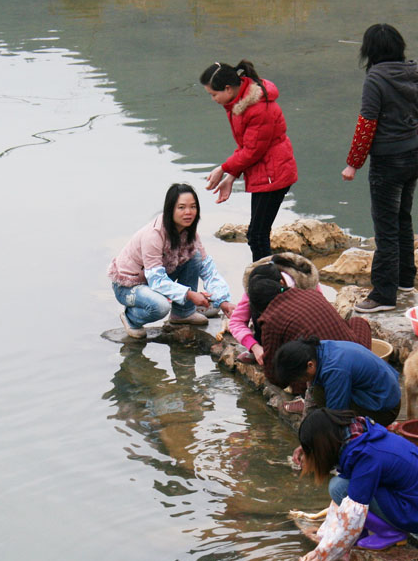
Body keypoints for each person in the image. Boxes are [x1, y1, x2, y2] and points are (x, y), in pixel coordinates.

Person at [295, 409, 418, 561]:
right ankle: (373, 530)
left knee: (340, 488)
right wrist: (322, 544)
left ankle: (391, 533)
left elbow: (353, 514)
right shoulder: (361, 436)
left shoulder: (366, 456)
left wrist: (318, 560)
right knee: (341, 486)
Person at [341, 24, 418, 313]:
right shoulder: (416, 75)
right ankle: (405, 280)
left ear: (371, 50)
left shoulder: (375, 78)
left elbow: (367, 124)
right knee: (403, 218)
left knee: (386, 227)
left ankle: (383, 295)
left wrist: (353, 163)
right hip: (411, 155)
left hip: (387, 161)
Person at [200, 60, 298, 262]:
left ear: (228, 88)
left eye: (213, 94)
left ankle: (267, 286)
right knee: (257, 234)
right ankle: (266, 283)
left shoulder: (257, 108)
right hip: (266, 172)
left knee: (257, 235)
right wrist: (231, 176)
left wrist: (224, 169)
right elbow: (247, 146)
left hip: (274, 175)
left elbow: (253, 150)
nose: (213, 99)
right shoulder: (239, 103)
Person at [108, 183, 234, 338]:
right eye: (181, 207)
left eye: (193, 207)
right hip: (129, 285)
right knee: (160, 306)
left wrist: (223, 301)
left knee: (195, 257)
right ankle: (131, 318)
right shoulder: (154, 234)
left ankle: (182, 314)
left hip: (154, 281)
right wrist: (189, 294)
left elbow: (208, 270)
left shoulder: (190, 233)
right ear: (170, 210)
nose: (188, 212)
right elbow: (156, 279)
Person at [274, 337, 400, 426]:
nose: (301, 382)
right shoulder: (316, 350)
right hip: (383, 392)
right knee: (317, 394)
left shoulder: (334, 370)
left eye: (299, 379)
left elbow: (337, 417)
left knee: (320, 395)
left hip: (385, 409)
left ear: (310, 365)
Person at [228, 253, 321, 365]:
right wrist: (254, 346)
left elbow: (318, 320)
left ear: (281, 284)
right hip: (267, 339)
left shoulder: (308, 285)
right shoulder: (256, 286)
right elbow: (236, 322)